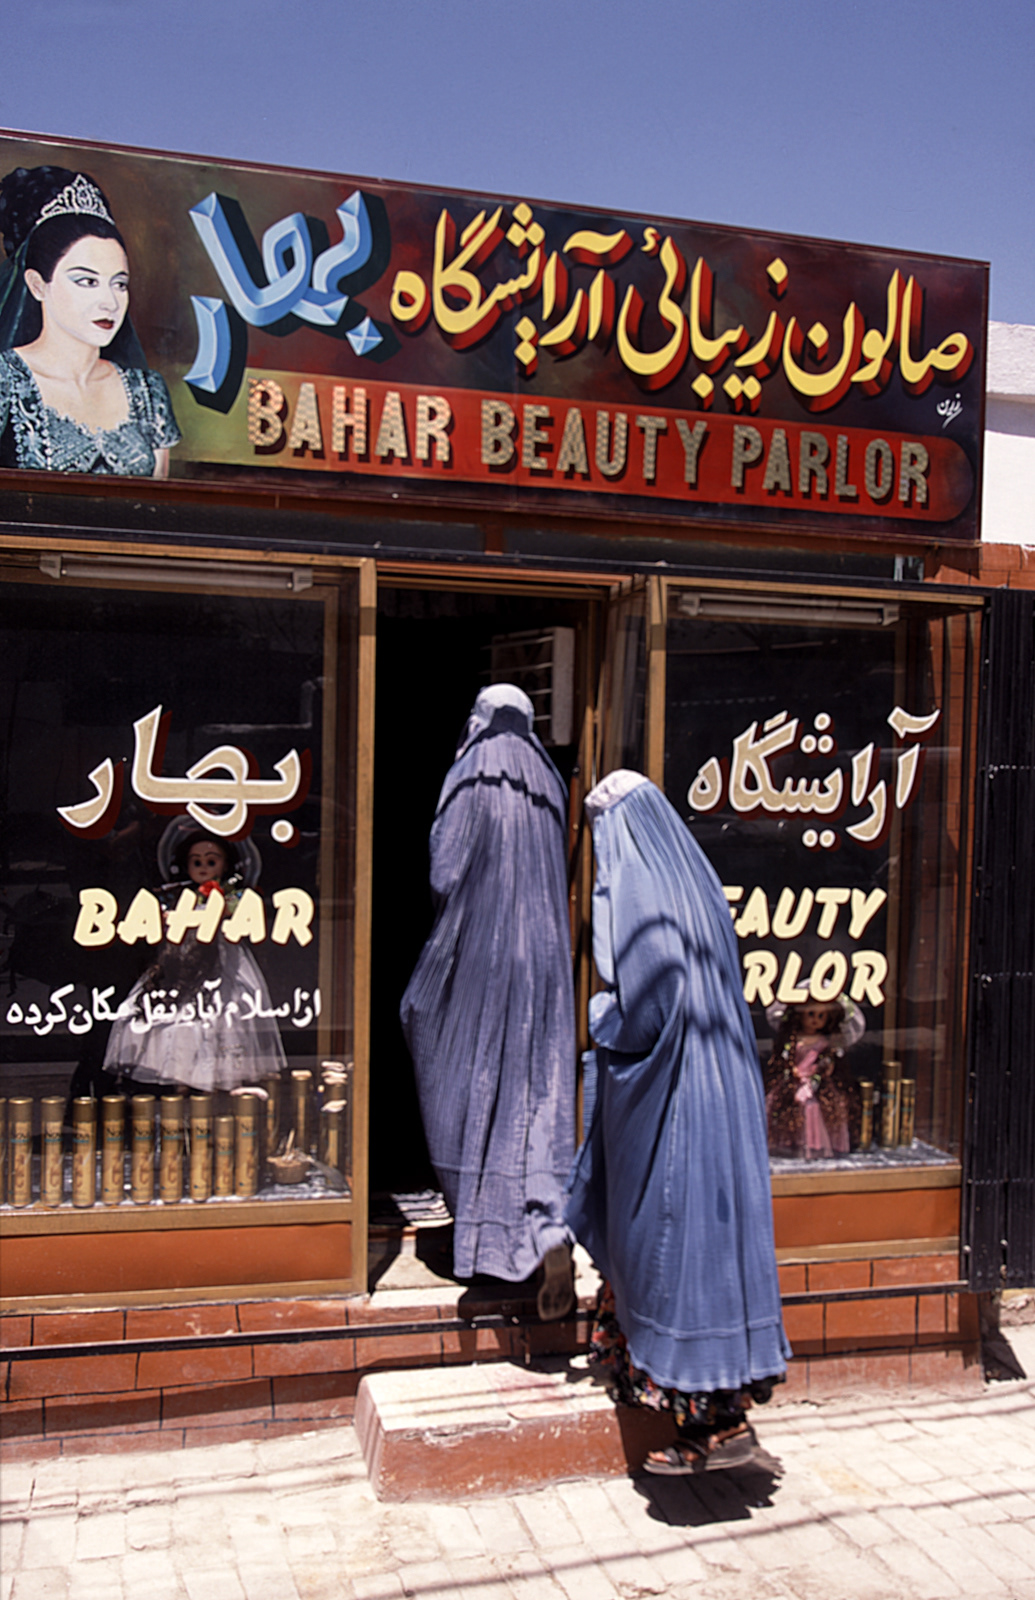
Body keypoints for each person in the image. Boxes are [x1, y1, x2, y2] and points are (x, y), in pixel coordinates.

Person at [566, 770, 790, 1473]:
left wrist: (603, 1018)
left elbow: (649, 1005)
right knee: (703, 1251)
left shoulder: (643, 900)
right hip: (722, 1088)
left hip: (676, 1100)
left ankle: (711, 1427)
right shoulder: (694, 887)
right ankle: (704, 1421)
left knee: (667, 1245)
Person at [400, 684, 576, 1319]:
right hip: (547, 961)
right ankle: (541, 1230)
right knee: (534, 1097)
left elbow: (444, 871)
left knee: (465, 1078)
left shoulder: (471, 772)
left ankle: (484, 1240)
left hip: (482, 953)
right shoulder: (549, 780)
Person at [0, 165, 180, 475]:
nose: (109, 302)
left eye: (119, 284)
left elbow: (159, 504)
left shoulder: (147, 392)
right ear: (37, 285)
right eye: (86, 281)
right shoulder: (6, 380)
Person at [103, 822, 288, 1093]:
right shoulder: (181, 894)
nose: (203, 867)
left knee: (221, 1014)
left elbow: (229, 913)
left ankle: (208, 1077)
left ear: (224, 864)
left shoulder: (232, 894)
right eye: (197, 862)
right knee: (176, 1017)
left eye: (211, 861)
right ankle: (178, 1073)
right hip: (182, 959)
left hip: (223, 959)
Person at [764, 995, 863, 1159]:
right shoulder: (793, 1039)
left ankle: (813, 1144)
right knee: (782, 1105)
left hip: (814, 1082)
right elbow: (785, 1058)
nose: (815, 1020)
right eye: (810, 1014)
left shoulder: (824, 1042)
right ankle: (788, 1142)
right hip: (793, 1081)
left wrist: (818, 1073)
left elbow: (827, 1063)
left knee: (812, 1108)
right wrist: (791, 1070)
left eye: (821, 1016)